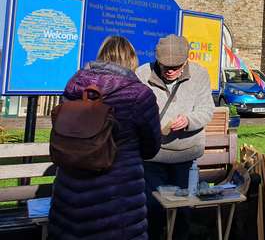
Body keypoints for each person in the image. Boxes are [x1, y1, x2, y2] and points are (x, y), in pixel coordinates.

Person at [48, 36, 162, 240]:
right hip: (115, 200)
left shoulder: (74, 86)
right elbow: (151, 146)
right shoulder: (139, 95)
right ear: (131, 60)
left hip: (69, 194)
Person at [136, 35, 215, 240]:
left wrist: (189, 120)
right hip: (153, 157)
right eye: (165, 66)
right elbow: (135, 112)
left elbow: (207, 110)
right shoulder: (142, 74)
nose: (170, 71)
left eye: (176, 66)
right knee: (152, 210)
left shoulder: (200, 74)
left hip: (186, 157)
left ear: (186, 60)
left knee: (183, 213)